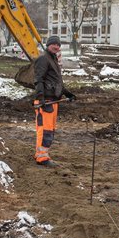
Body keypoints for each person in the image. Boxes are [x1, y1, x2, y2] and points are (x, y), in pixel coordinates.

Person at [33, 35, 75, 167]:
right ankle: (41, 157)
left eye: (58, 45)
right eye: (54, 44)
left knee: (49, 129)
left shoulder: (53, 59)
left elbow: (57, 82)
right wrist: (41, 99)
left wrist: (68, 94)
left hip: (53, 100)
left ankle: (43, 154)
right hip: (46, 101)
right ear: (48, 45)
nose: (56, 46)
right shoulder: (43, 59)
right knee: (44, 129)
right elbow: (38, 80)